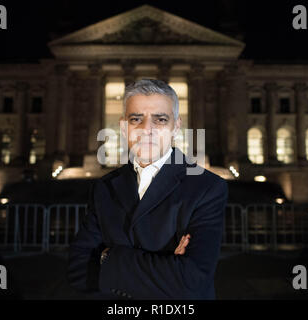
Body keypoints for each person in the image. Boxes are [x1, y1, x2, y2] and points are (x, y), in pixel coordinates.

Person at [68, 79, 229, 299]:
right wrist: (167, 269)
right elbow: (78, 271)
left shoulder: (207, 187)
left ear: (176, 127)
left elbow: (192, 281)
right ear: (124, 127)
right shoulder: (103, 187)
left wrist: (106, 258)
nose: (147, 130)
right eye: (136, 119)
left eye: (160, 120)